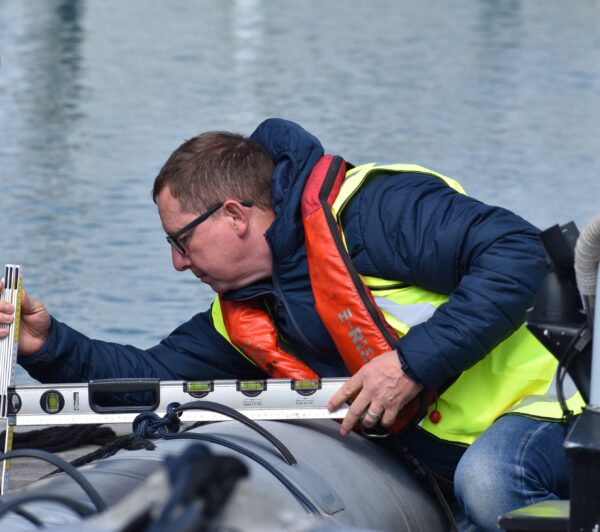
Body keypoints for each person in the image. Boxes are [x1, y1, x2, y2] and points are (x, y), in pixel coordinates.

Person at [0, 118, 582, 530]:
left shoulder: (375, 211)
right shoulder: (243, 314)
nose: (177, 263)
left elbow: (519, 253)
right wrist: (47, 345)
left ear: (234, 215)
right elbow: (149, 378)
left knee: (487, 480)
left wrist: (410, 364)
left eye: (181, 241)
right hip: (434, 460)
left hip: (543, 409)